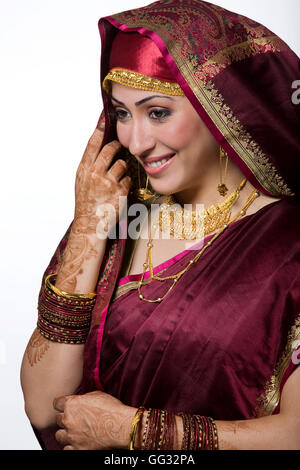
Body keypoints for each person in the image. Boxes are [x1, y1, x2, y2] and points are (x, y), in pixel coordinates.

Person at [20, 0, 300, 450]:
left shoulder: (288, 242)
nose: (136, 140)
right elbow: (42, 404)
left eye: (158, 112)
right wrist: (89, 226)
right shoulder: (116, 218)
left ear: (216, 105)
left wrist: (134, 430)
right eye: (122, 113)